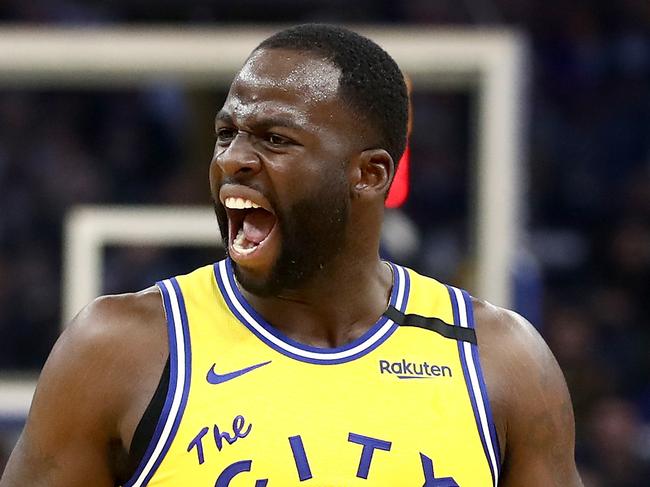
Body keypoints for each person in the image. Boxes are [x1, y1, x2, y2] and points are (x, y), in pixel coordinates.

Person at [0, 24, 583, 486]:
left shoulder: (500, 361)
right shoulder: (117, 349)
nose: (232, 160)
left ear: (370, 174)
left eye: (275, 139)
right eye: (227, 134)